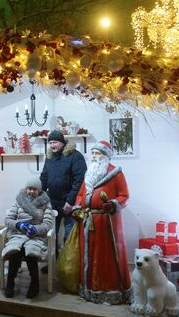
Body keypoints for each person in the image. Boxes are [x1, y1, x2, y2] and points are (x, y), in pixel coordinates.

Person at [75, 141, 131, 305]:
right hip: (87, 220)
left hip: (107, 222)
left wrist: (113, 204)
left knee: (105, 257)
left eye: (97, 153)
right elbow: (80, 195)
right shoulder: (89, 174)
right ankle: (89, 289)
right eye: (92, 153)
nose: (94, 157)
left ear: (106, 156)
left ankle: (109, 290)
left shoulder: (116, 173)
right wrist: (78, 207)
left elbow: (124, 196)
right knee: (89, 255)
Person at [39, 130, 86, 271]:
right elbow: (44, 178)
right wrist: (37, 195)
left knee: (69, 235)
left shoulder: (75, 156)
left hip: (69, 202)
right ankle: (53, 263)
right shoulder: (49, 157)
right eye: (50, 142)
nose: (52, 145)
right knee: (51, 235)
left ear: (63, 142)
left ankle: (68, 267)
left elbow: (80, 181)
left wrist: (70, 201)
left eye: (55, 142)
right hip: (52, 202)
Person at [2, 177, 54, 298]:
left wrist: (36, 229)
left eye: (34, 189)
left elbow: (47, 224)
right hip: (19, 234)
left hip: (36, 236)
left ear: (39, 190)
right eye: (29, 189)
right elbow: (7, 219)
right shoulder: (19, 200)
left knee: (30, 252)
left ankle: (34, 283)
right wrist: (18, 224)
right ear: (26, 189)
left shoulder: (45, 203)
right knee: (15, 250)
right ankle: (10, 283)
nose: (31, 191)